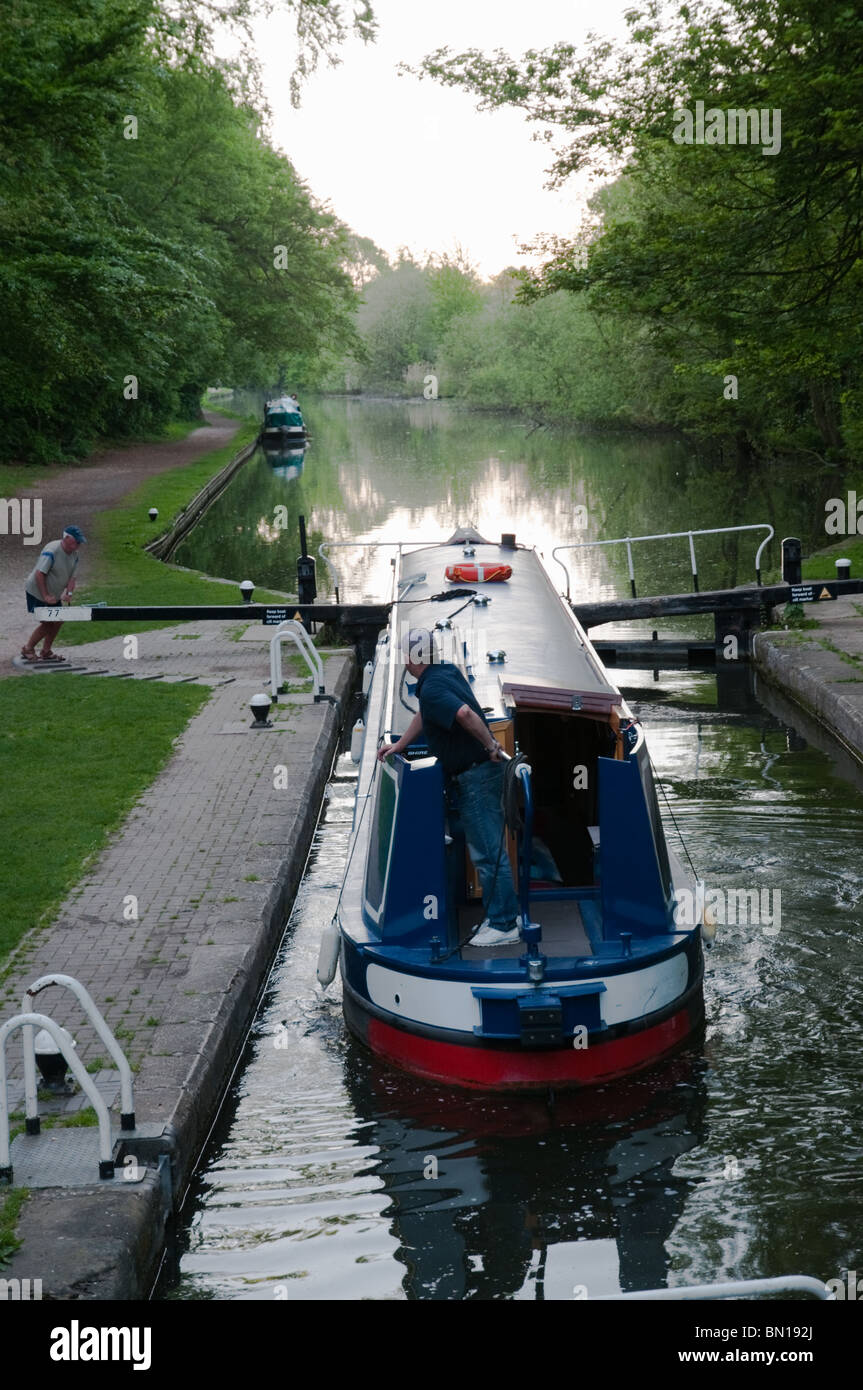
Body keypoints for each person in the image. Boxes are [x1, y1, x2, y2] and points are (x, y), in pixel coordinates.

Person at [376, 626, 522, 947]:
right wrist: (400, 745)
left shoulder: (431, 688)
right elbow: (429, 714)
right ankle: (506, 913)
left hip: (474, 776)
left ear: (412, 658)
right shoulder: (443, 673)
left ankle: (504, 924)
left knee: (486, 853)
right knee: (488, 849)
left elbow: (465, 713)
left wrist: (491, 747)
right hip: (477, 774)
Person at [22, 525, 86, 662]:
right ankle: (28, 648)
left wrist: (69, 593)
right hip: (37, 591)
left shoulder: (75, 555)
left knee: (58, 620)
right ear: (67, 539)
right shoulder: (52, 550)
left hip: (53, 594)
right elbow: (40, 573)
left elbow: (72, 578)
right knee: (48, 623)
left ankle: (46, 651)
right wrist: (45, 595)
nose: (79, 545)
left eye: (80, 542)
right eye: (77, 542)